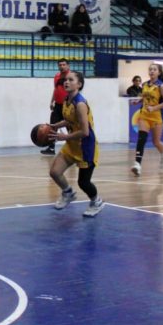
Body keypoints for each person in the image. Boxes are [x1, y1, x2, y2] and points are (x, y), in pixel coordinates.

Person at [48, 71, 104, 217]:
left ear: (79, 84)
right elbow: (69, 120)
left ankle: (96, 201)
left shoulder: (80, 104)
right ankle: (68, 193)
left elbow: (85, 132)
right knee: (54, 172)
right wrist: (55, 125)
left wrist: (64, 136)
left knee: (83, 183)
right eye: (66, 80)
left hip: (86, 147)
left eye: (71, 80)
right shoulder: (67, 100)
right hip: (72, 144)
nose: (66, 82)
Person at [130, 62, 163, 177]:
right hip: (144, 115)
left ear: (159, 72)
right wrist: (137, 101)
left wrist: (154, 108)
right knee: (141, 139)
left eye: (154, 69)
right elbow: (144, 96)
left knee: (156, 142)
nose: (152, 71)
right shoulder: (145, 84)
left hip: (156, 116)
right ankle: (137, 164)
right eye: (150, 69)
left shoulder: (161, 86)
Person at [42, 58, 71, 155]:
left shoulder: (71, 76)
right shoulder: (57, 76)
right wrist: (51, 101)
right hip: (57, 106)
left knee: (69, 127)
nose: (62, 66)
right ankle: (51, 148)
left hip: (67, 105)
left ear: (68, 66)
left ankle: (73, 147)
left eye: (64, 64)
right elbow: (56, 90)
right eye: (60, 65)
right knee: (53, 126)